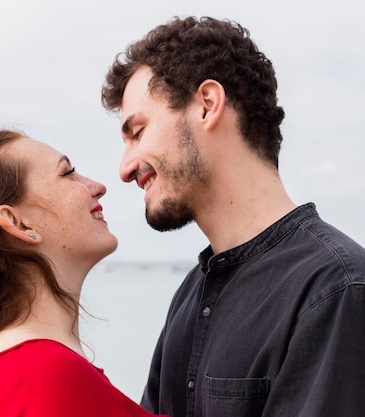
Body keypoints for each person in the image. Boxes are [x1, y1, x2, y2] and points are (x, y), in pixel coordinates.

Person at [100, 16, 365, 417]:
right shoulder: (191, 292)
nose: (124, 168)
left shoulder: (335, 288)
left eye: (137, 132)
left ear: (207, 105)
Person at [0, 129, 167, 417]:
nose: (97, 186)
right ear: (18, 223)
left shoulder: (16, 371)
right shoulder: (45, 375)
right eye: (68, 173)